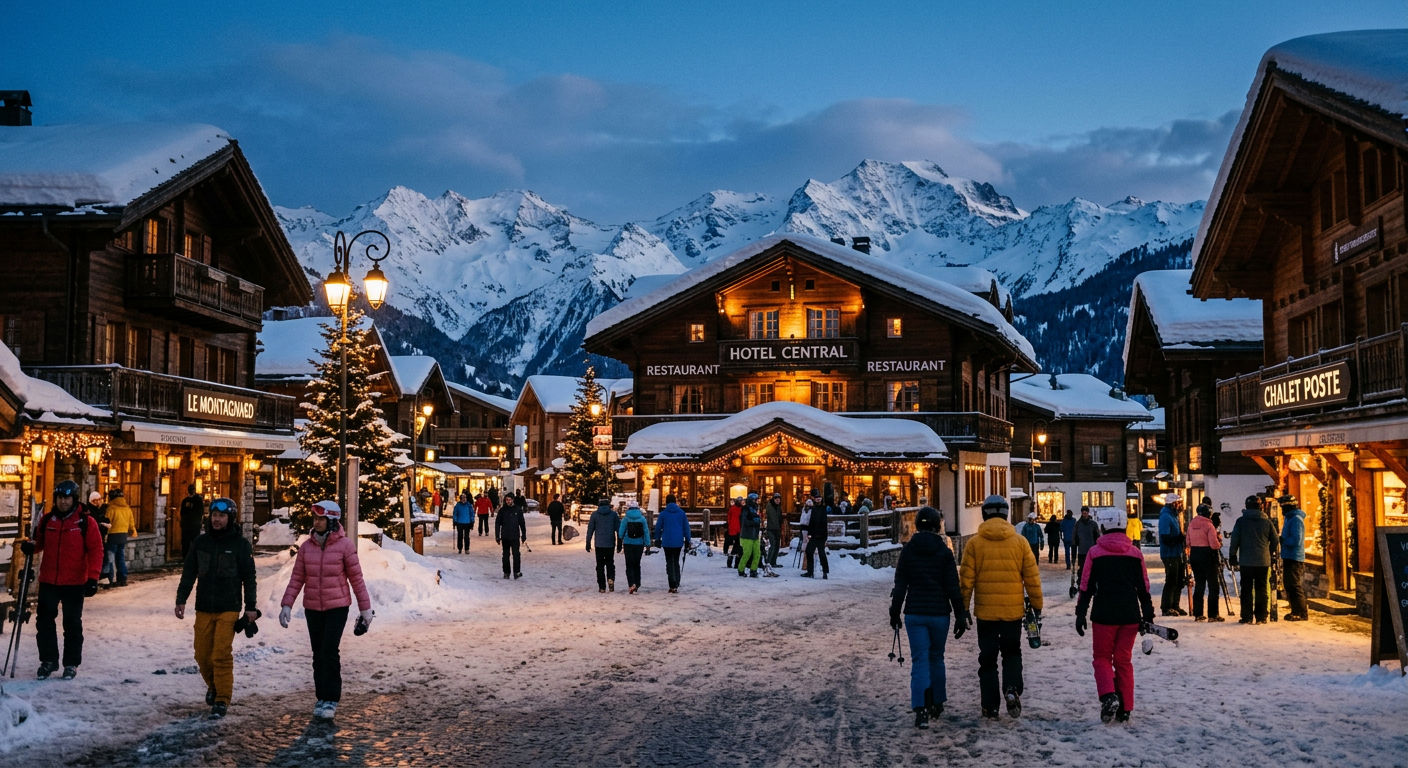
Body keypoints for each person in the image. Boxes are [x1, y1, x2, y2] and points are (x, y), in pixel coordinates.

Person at [278, 500, 373, 720]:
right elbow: (297, 578)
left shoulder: (345, 546)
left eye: (321, 519)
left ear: (331, 521)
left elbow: (357, 579)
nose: (316, 522)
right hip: (313, 607)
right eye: (315, 518)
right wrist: (287, 604)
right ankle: (321, 696)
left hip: (337, 607)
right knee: (318, 653)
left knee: (329, 651)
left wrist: (365, 610)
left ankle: (331, 698)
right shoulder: (306, 547)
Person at [958, 495, 1043, 720]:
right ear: (1006, 515)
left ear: (984, 514)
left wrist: (963, 608)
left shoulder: (975, 543)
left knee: (987, 659)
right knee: (1012, 653)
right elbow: (1032, 578)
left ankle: (990, 706)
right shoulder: (1019, 542)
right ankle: (1012, 688)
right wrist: (1037, 605)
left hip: (986, 613)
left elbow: (966, 580)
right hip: (1012, 612)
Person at [175, 497, 258, 719]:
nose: (217, 519)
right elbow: (189, 572)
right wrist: (181, 599)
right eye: (214, 516)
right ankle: (213, 686)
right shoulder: (200, 543)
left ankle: (222, 698)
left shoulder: (240, 545)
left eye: (221, 516)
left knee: (220, 653)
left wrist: (251, 607)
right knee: (202, 654)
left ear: (230, 518)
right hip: (204, 606)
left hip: (229, 607)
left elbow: (249, 577)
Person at [1074, 506, 1155, 724]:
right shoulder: (1135, 554)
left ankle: (1109, 696)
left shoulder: (1095, 553)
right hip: (1130, 615)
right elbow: (1143, 587)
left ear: (1103, 526)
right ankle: (1125, 707)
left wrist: (1081, 613)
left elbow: (1086, 586)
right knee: (1123, 661)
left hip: (1104, 615)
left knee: (1101, 658)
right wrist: (1147, 614)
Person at [890, 506, 966, 729]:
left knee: (920, 660)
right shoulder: (944, 552)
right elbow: (953, 587)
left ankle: (920, 707)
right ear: (937, 526)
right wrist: (960, 614)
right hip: (939, 614)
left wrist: (895, 612)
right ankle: (937, 701)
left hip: (915, 613)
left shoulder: (909, 550)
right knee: (936, 658)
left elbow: (900, 584)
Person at [22, 480, 103, 680]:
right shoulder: (48, 520)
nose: (63, 502)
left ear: (74, 499)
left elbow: (96, 550)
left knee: (72, 624)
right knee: (44, 622)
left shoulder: (85, 522)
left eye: (66, 498)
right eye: (59, 498)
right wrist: (32, 546)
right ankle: (48, 660)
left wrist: (93, 577)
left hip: (75, 582)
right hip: (49, 579)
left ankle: (71, 663)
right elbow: (40, 542)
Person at [1229, 495, 1277, 624]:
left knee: (1246, 590)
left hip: (1246, 561)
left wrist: (1233, 556)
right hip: (1262, 561)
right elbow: (1275, 539)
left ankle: (1247, 616)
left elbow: (1235, 540)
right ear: (1260, 506)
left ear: (1246, 506)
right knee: (1261, 589)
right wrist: (1269, 551)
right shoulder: (1267, 521)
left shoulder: (1241, 521)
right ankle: (1261, 616)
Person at [1187, 499, 1223, 622]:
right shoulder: (1209, 525)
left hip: (1195, 555)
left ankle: (1198, 613)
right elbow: (1214, 545)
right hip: (1208, 556)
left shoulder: (1191, 524)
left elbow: (1187, 542)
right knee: (1213, 586)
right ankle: (1213, 614)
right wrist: (1219, 542)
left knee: (1199, 585)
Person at [1278, 493, 1308, 621]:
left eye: (1283, 507)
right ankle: (1295, 610)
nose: (1281, 510)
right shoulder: (1290, 518)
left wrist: (1283, 540)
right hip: (1289, 555)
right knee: (1289, 585)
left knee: (1294, 585)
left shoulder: (1296, 519)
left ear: (1289, 507)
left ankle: (1300, 612)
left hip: (1294, 557)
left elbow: (1297, 540)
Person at [653, 494, 691, 593]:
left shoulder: (663, 514)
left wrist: (657, 538)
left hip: (667, 541)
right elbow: (686, 528)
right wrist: (687, 540)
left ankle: (672, 583)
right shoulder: (681, 513)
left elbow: (658, 527)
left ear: (666, 502)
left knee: (669, 562)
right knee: (676, 561)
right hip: (678, 541)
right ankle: (676, 581)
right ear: (675, 502)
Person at [1156, 496, 1187, 616]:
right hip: (1169, 553)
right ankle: (1166, 606)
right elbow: (1165, 537)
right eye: (1178, 503)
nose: (1180, 505)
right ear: (1172, 504)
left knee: (1179, 580)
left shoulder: (1174, 515)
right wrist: (1178, 538)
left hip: (1177, 552)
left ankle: (1175, 605)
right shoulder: (1166, 516)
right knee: (1171, 579)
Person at [104, 488, 138, 587]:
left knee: (110, 558)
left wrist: (105, 534)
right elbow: (131, 522)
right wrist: (133, 531)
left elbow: (107, 522)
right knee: (120, 557)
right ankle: (122, 578)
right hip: (123, 535)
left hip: (113, 535)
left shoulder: (111, 508)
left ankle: (110, 579)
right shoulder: (127, 508)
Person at [586, 499, 619, 593]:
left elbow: (590, 529)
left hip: (599, 544)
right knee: (610, 564)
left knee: (599, 565)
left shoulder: (594, 515)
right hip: (610, 543)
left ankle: (602, 586)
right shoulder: (613, 515)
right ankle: (611, 579)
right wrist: (620, 542)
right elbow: (618, 529)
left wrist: (588, 542)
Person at [618, 505, 651, 594]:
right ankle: (637, 583)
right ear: (638, 509)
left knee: (629, 565)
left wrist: (620, 539)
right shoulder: (642, 519)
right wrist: (647, 544)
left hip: (628, 544)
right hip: (639, 544)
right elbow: (646, 532)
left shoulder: (626, 519)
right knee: (636, 564)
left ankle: (631, 584)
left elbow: (621, 533)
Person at [802, 484, 833, 579]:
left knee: (821, 553)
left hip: (821, 535)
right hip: (814, 535)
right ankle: (810, 571)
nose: (818, 499)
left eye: (819, 498)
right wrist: (809, 533)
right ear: (814, 499)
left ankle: (825, 572)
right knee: (809, 551)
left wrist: (828, 488)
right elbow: (811, 521)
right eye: (816, 498)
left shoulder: (824, 508)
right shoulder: (813, 508)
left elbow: (829, 501)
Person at [496, 497, 526, 579]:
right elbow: (498, 523)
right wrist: (497, 536)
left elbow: (522, 523)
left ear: (513, 500)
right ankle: (506, 572)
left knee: (516, 555)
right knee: (505, 555)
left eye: (509, 500)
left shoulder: (518, 510)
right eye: (507, 500)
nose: (508, 501)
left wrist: (524, 535)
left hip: (515, 536)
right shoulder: (502, 510)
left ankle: (516, 572)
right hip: (505, 536)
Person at [87, 491, 113, 584]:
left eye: (100, 499)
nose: (99, 502)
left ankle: (103, 576)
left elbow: (102, 519)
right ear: (92, 501)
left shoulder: (99, 509)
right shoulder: (89, 510)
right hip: (94, 538)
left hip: (101, 537)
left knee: (104, 556)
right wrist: (103, 525)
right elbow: (93, 524)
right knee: (100, 557)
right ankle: (99, 576)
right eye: (97, 500)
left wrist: (106, 523)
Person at [737, 492, 763, 577]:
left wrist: (759, 523)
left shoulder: (756, 508)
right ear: (752, 500)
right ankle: (741, 569)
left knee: (757, 553)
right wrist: (755, 522)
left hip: (754, 534)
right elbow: (744, 522)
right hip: (746, 535)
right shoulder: (745, 509)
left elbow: (757, 520)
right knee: (747, 553)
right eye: (756, 500)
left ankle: (753, 570)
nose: (757, 501)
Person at [1073, 507, 1100, 575]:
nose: (1084, 514)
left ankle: (1091, 583)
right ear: (1081, 513)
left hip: (1092, 550)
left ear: (1088, 513)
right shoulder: (1078, 524)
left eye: (1086, 512)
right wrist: (1074, 546)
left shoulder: (1093, 524)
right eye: (1083, 512)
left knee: (1092, 569)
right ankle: (1081, 582)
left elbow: (1097, 536)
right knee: (1082, 569)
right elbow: (1074, 537)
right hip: (1082, 551)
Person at [179, 484, 204, 558]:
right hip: (187, 524)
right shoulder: (185, 500)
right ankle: (186, 556)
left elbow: (200, 512)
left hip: (194, 524)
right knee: (185, 542)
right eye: (190, 489)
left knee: (194, 541)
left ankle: (193, 556)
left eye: (192, 489)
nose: (191, 491)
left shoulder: (198, 500)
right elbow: (182, 512)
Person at [764, 492, 784, 568]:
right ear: (774, 499)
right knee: (773, 545)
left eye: (779, 499)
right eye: (776, 499)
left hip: (777, 528)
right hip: (771, 528)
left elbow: (779, 517)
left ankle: (773, 562)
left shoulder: (778, 507)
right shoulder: (769, 506)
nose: (778, 500)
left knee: (777, 546)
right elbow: (769, 517)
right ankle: (768, 562)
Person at [725, 497, 743, 569]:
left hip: (733, 529)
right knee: (738, 546)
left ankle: (731, 558)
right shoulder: (741, 509)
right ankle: (736, 563)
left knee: (736, 545)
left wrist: (729, 525)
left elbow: (729, 518)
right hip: (738, 529)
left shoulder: (732, 508)